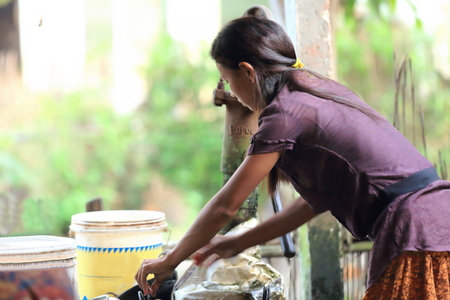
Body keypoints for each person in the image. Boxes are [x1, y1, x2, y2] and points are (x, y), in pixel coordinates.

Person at [135, 16, 450, 299]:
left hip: (415, 230)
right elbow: (310, 205)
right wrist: (234, 243)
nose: (231, 91)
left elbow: (225, 206)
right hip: (439, 217)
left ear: (247, 72)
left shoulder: (284, 113)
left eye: (228, 81)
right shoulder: (316, 89)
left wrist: (170, 260)